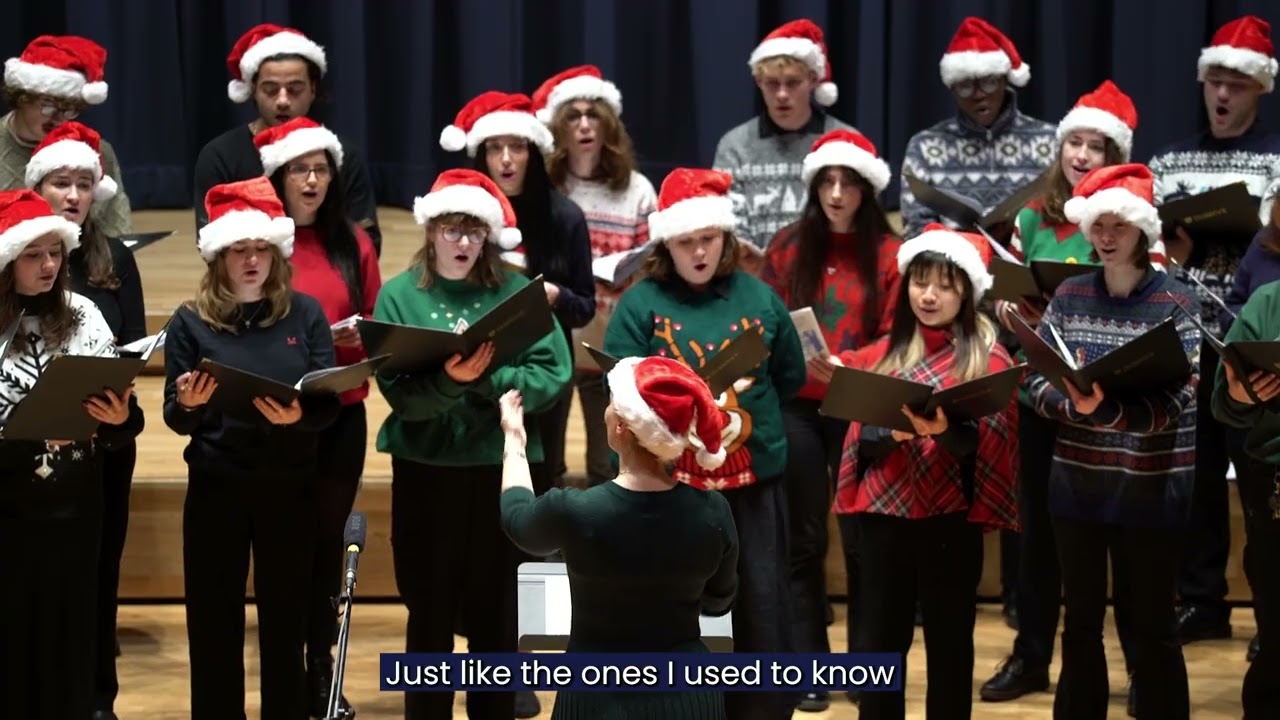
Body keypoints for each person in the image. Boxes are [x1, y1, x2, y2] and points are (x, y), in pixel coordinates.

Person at [983, 81, 1165, 708]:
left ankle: (1143, 667)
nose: (1082, 154)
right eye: (1074, 142)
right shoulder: (1033, 215)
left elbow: (1155, 299)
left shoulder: (1135, 220)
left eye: (1097, 145)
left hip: (1114, 403)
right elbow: (1004, 294)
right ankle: (1032, 655)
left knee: (1124, 539)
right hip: (1046, 396)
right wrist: (1010, 310)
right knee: (1041, 536)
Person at [604, 167, 807, 720]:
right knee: (675, 606)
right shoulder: (640, 303)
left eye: (708, 240)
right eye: (686, 241)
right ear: (667, 243)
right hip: (671, 490)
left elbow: (788, 377)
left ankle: (762, 710)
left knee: (759, 603)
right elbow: (620, 385)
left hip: (752, 484)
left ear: (726, 239)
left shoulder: (761, 299)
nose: (698, 252)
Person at [372, 168, 572, 720]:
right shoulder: (399, 296)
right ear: (430, 231)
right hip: (427, 469)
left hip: (498, 468)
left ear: (487, 236)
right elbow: (400, 393)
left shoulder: (515, 292)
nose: (462, 242)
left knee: (496, 612)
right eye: (451, 230)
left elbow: (553, 373)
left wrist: (486, 381)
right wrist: (448, 382)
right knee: (428, 608)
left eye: (473, 232)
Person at [1022, 163, 1200, 720]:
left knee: (1150, 621)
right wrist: (1068, 403)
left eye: (1118, 226)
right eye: (1098, 224)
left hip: (1151, 487)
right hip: (1077, 484)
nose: (1104, 236)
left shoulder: (1176, 303)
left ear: (1142, 230)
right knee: (1079, 621)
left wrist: (1108, 411)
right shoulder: (1071, 295)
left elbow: (1177, 402)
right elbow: (1032, 379)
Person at [162, 177, 340, 720]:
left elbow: (327, 402)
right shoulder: (190, 322)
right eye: (240, 249)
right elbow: (175, 417)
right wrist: (191, 405)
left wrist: (300, 414)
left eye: (261, 248)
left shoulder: (305, 314)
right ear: (219, 256)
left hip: (288, 485)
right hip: (218, 485)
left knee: (286, 621)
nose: (251, 260)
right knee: (214, 622)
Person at [831, 224, 1018, 720]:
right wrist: (892, 434)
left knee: (951, 643)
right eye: (919, 282)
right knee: (879, 649)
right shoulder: (885, 353)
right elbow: (859, 446)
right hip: (883, 521)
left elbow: (989, 453)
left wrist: (942, 432)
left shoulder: (988, 359)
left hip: (948, 522)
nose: (929, 296)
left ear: (967, 291)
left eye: (944, 285)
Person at [497, 357, 739, 719]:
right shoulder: (713, 511)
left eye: (611, 404)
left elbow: (518, 520)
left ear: (623, 426)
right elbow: (718, 602)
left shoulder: (577, 510)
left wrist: (514, 440)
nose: (606, 412)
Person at [759, 128, 901, 713]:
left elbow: (902, 335)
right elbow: (766, 319)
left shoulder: (891, 256)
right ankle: (807, 666)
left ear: (867, 191)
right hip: (799, 402)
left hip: (860, 400)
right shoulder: (789, 248)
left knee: (864, 541)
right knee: (803, 539)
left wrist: (849, 362)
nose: (837, 193)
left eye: (848, 183)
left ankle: (866, 665)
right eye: (827, 182)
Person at [1150, 15, 1280, 651]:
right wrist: (1171, 248)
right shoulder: (1169, 161)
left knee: (1261, 481)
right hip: (1187, 338)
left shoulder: (1277, 160)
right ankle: (1202, 601)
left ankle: (1269, 613)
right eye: (1215, 83)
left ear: (1259, 89)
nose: (1223, 94)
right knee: (1197, 481)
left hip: (1257, 344)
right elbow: (1147, 250)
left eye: (1237, 83)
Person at [254, 116, 382, 717]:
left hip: (340, 416)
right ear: (277, 175)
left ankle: (320, 670)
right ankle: (284, 671)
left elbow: (377, 328)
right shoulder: (259, 242)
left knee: (328, 543)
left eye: (320, 168)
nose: (310, 180)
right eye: (299, 169)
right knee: (286, 543)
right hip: (275, 418)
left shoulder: (352, 243)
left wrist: (359, 338)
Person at [0, 188, 143, 720]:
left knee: (71, 644)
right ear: (8, 260)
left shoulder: (82, 313)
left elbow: (126, 423)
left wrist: (115, 420)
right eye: (33, 255)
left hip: (76, 513)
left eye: (54, 253)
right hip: (10, 515)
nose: (48, 265)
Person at [442, 90, 594, 506]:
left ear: (534, 153)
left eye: (517, 147)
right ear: (481, 156)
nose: (506, 158)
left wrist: (555, 294)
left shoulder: (564, 218)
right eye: (495, 148)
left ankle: (539, 569)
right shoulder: (463, 218)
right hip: (476, 367)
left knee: (544, 474)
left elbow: (585, 305)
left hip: (542, 370)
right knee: (479, 476)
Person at [533, 64, 658, 489]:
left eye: (593, 115)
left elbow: (653, 263)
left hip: (610, 340)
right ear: (557, 128)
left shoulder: (637, 189)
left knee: (609, 462)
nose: (584, 126)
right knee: (546, 459)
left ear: (608, 127)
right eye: (573, 116)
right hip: (555, 339)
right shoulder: (545, 188)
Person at [193, 23, 381, 252]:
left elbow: (367, 243)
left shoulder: (343, 155)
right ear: (253, 90)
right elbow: (211, 245)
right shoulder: (220, 156)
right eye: (271, 89)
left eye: (295, 89)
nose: (282, 100)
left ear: (313, 89)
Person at [713, 18, 853, 269]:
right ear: (758, 82)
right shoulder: (735, 146)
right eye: (772, 84)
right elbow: (729, 227)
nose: (782, 95)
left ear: (812, 79)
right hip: (755, 281)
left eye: (792, 83)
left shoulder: (844, 143)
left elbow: (856, 223)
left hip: (827, 275)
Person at [898, 16, 1056, 240]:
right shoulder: (924, 147)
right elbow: (915, 231)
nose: (979, 94)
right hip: (952, 269)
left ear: (1005, 80)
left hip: (1028, 265)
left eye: (989, 81)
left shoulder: (1050, 141)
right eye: (965, 86)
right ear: (952, 89)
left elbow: (1062, 222)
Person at [1211, 278, 1280, 719]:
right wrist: (1239, 393)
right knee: (1277, 611)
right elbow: (1225, 400)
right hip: (1274, 470)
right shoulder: (1268, 300)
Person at [1, 34, 132, 237]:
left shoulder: (94, 153)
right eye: (47, 106)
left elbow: (118, 235)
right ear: (21, 98)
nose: (57, 118)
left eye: (69, 110)